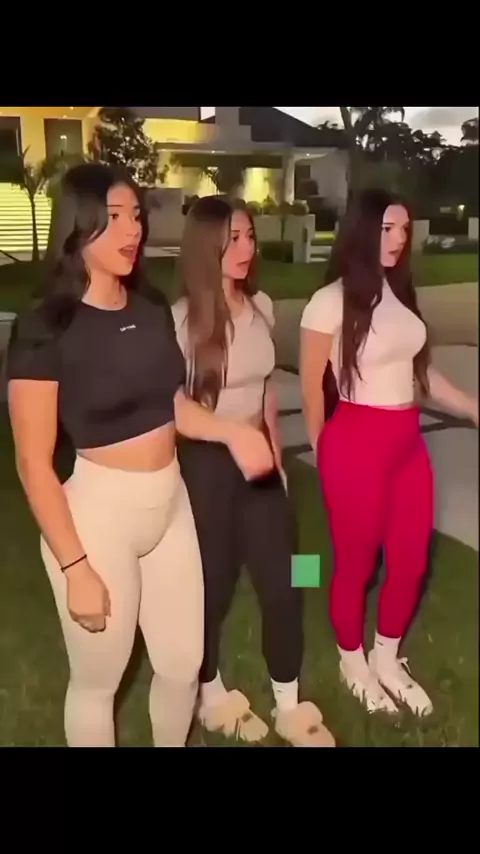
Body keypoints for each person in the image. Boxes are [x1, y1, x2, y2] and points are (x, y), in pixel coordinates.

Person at [6, 163, 274, 748]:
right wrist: (76, 567)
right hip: (98, 516)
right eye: (115, 218)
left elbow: (169, 405)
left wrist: (231, 432)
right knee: (98, 682)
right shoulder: (46, 327)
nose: (133, 230)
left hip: (170, 504)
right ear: (79, 226)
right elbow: (33, 462)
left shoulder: (150, 308)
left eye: (135, 216)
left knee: (182, 665)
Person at [300, 188, 478, 717]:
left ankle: (387, 656)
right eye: (387, 228)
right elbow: (311, 390)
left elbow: (421, 374)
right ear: (362, 230)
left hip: (406, 446)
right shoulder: (330, 301)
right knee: (356, 563)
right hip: (355, 443)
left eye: (403, 229)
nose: (399, 239)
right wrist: (324, 455)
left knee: (410, 560)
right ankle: (350, 661)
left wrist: (471, 406)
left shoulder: (399, 295)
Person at [171, 195, 335, 747]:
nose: (246, 249)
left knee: (288, 578)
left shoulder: (262, 304)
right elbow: (173, 406)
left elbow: (264, 391)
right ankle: (209, 690)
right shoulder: (181, 320)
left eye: (249, 237)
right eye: (233, 239)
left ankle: (289, 701)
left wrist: (277, 456)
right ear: (206, 246)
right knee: (212, 587)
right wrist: (230, 438)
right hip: (206, 464)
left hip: (260, 459)